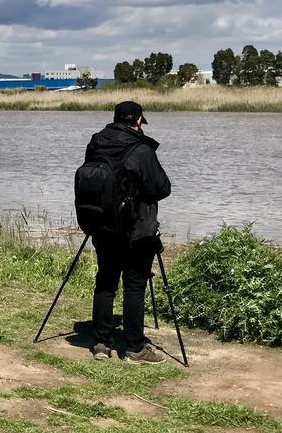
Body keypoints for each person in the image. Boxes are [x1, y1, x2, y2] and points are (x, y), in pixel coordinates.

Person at [84, 100, 171, 364]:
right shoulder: (141, 149)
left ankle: (101, 343)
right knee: (134, 285)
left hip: (102, 225)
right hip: (136, 230)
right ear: (137, 121)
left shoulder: (96, 143)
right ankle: (134, 348)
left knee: (106, 281)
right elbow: (162, 188)